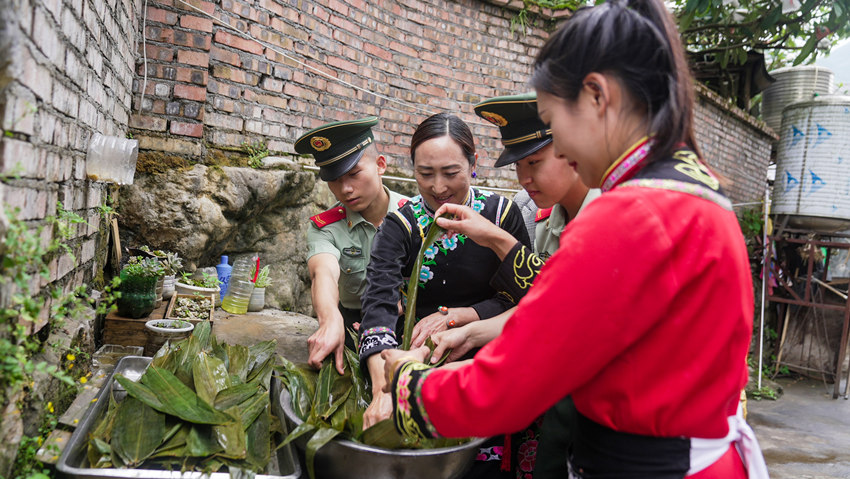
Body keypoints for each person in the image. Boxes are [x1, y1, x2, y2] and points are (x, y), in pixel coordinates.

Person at [380, 1, 769, 477]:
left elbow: (507, 385)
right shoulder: (699, 191)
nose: (558, 147)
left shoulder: (626, 217)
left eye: (552, 120)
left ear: (596, 96)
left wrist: (405, 382)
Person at [425, 92, 600, 478]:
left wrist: (496, 239)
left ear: (572, 148)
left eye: (535, 162)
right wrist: (471, 333)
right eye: (518, 164)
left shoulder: (608, 217)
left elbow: (559, 304)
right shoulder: (536, 210)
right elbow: (535, 308)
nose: (524, 178)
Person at [358, 112, 531, 475]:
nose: (437, 187)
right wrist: (383, 386)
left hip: (485, 361)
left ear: (473, 164)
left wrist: (463, 315)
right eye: (425, 174)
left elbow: (522, 299)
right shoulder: (401, 224)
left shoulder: (502, 217)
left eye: (451, 173)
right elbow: (380, 301)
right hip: (418, 360)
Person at [296, 117, 408, 375]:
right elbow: (322, 272)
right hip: (350, 325)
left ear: (380, 165)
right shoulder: (325, 227)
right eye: (334, 179)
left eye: (354, 174)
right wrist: (329, 319)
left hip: (409, 323)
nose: (345, 189)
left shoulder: (414, 215)